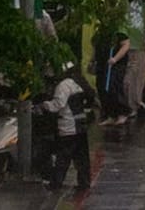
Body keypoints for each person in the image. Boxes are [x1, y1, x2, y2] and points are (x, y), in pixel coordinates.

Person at [44, 62, 92, 192]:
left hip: (68, 126)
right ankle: (84, 182)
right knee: (82, 158)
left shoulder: (63, 86)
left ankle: (55, 184)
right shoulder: (78, 83)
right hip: (81, 125)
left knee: (63, 158)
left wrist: (44, 105)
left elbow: (57, 105)